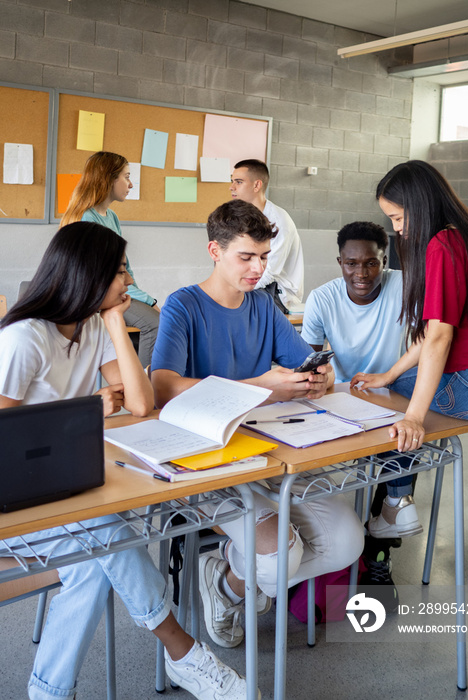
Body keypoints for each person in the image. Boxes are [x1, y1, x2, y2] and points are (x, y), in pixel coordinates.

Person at [0, 222, 251, 700]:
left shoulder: (91, 326)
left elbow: (140, 404)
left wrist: (115, 323)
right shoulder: (24, 338)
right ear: (88, 275)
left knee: (93, 565)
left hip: (67, 481)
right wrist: (86, 412)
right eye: (119, 271)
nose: (127, 280)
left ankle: (49, 692)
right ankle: (185, 655)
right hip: (16, 493)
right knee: (108, 535)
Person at [151, 199, 364, 650]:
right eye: (246, 257)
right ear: (215, 250)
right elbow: (164, 387)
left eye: (265, 257)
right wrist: (261, 386)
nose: (258, 268)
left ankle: (235, 575)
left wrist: (317, 376)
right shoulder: (183, 305)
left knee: (347, 541)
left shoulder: (263, 307)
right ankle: (235, 580)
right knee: (278, 559)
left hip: (266, 452)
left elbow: (298, 363)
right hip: (203, 462)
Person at [350, 160, 468, 671]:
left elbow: (439, 336)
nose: (397, 229)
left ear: (418, 208)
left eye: (398, 219)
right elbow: (432, 334)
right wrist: (389, 373)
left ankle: (397, 503)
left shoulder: (442, 244)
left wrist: (415, 416)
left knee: (399, 400)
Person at [301, 220, 411, 610]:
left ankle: (380, 546)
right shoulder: (322, 298)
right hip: (346, 400)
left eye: (371, 263)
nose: (361, 274)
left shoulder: (405, 285)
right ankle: (383, 517)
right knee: (392, 448)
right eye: (351, 264)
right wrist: (319, 378)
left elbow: (432, 342)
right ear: (339, 261)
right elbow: (305, 362)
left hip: (398, 393)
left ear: (385, 261)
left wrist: (392, 377)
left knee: (402, 427)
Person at [61, 151, 159, 368]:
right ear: (109, 178)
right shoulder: (87, 217)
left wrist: (143, 297)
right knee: (156, 324)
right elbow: (104, 274)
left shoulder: (111, 217)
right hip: (94, 296)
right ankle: (147, 387)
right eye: (126, 176)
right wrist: (148, 301)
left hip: (114, 290)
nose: (130, 184)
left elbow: (125, 267)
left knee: (158, 316)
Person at [230, 159, 304, 312]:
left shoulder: (278, 221)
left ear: (257, 185)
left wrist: (235, 291)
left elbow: (269, 272)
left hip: (277, 293)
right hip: (253, 283)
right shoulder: (243, 217)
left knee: (232, 304)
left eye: (238, 182)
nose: (232, 187)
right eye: (232, 181)